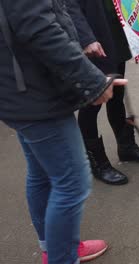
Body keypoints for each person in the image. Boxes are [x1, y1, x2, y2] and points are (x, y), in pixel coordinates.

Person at [0, 0, 127, 263]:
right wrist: (92, 81)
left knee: (42, 173)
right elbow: (39, 28)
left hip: (21, 90)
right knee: (72, 183)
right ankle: (62, 256)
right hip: (35, 96)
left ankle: (56, 247)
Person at [67, 0, 139, 186]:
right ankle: (97, 162)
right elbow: (69, 5)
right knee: (92, 103)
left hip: (116, 35)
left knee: (117, 94)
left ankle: (126, 147)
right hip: (94, 40)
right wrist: (85, 37)